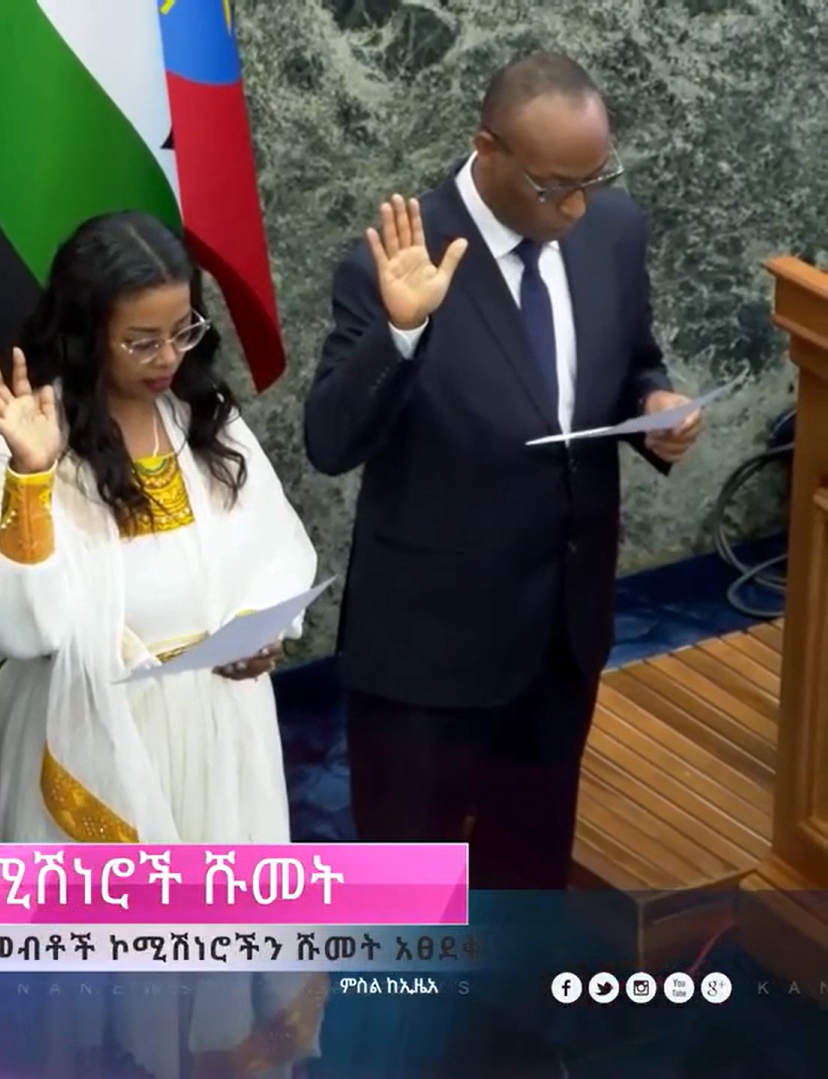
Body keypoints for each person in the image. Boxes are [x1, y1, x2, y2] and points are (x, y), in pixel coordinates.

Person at [304, 52, 703, 898]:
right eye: (555, 186)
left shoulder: (610, 228)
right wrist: (400, 334)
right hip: (429, 658)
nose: (577, 206)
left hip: (561, 634)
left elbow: (631, 358)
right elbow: (330, 440)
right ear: (485, 148)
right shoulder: (395, 259)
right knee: (409, 902)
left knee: (528, 878)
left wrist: (655, 405)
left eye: (594, 179)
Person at [0, 211, 324, 1078]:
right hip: (96, 734)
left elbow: (277, 550)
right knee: (109, 992)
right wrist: (31, 474)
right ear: (86, 333)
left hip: (220, 727)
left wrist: (266, 628)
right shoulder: (23, 440)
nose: (166, 358)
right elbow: (11, 626)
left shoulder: (203, 417)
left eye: (181, 331)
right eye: (141, 341)